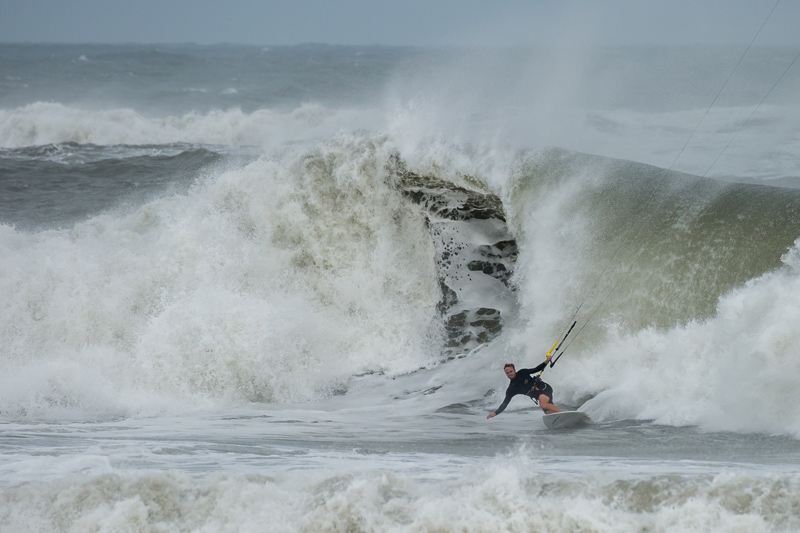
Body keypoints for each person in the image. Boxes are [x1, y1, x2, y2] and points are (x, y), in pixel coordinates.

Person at [486, 358, 562, 418]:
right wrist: (495, 413)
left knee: (543, 404)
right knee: (549, 413)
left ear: (514, 370)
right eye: (507, 373)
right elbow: (504, 404)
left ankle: (562, 413)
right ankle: (562, 419)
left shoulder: (523, 372)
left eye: (511, 371)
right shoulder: (511, 389)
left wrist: (546, 361)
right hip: (538, 396)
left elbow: (536, 369)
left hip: (544, 388)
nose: (509, 374)